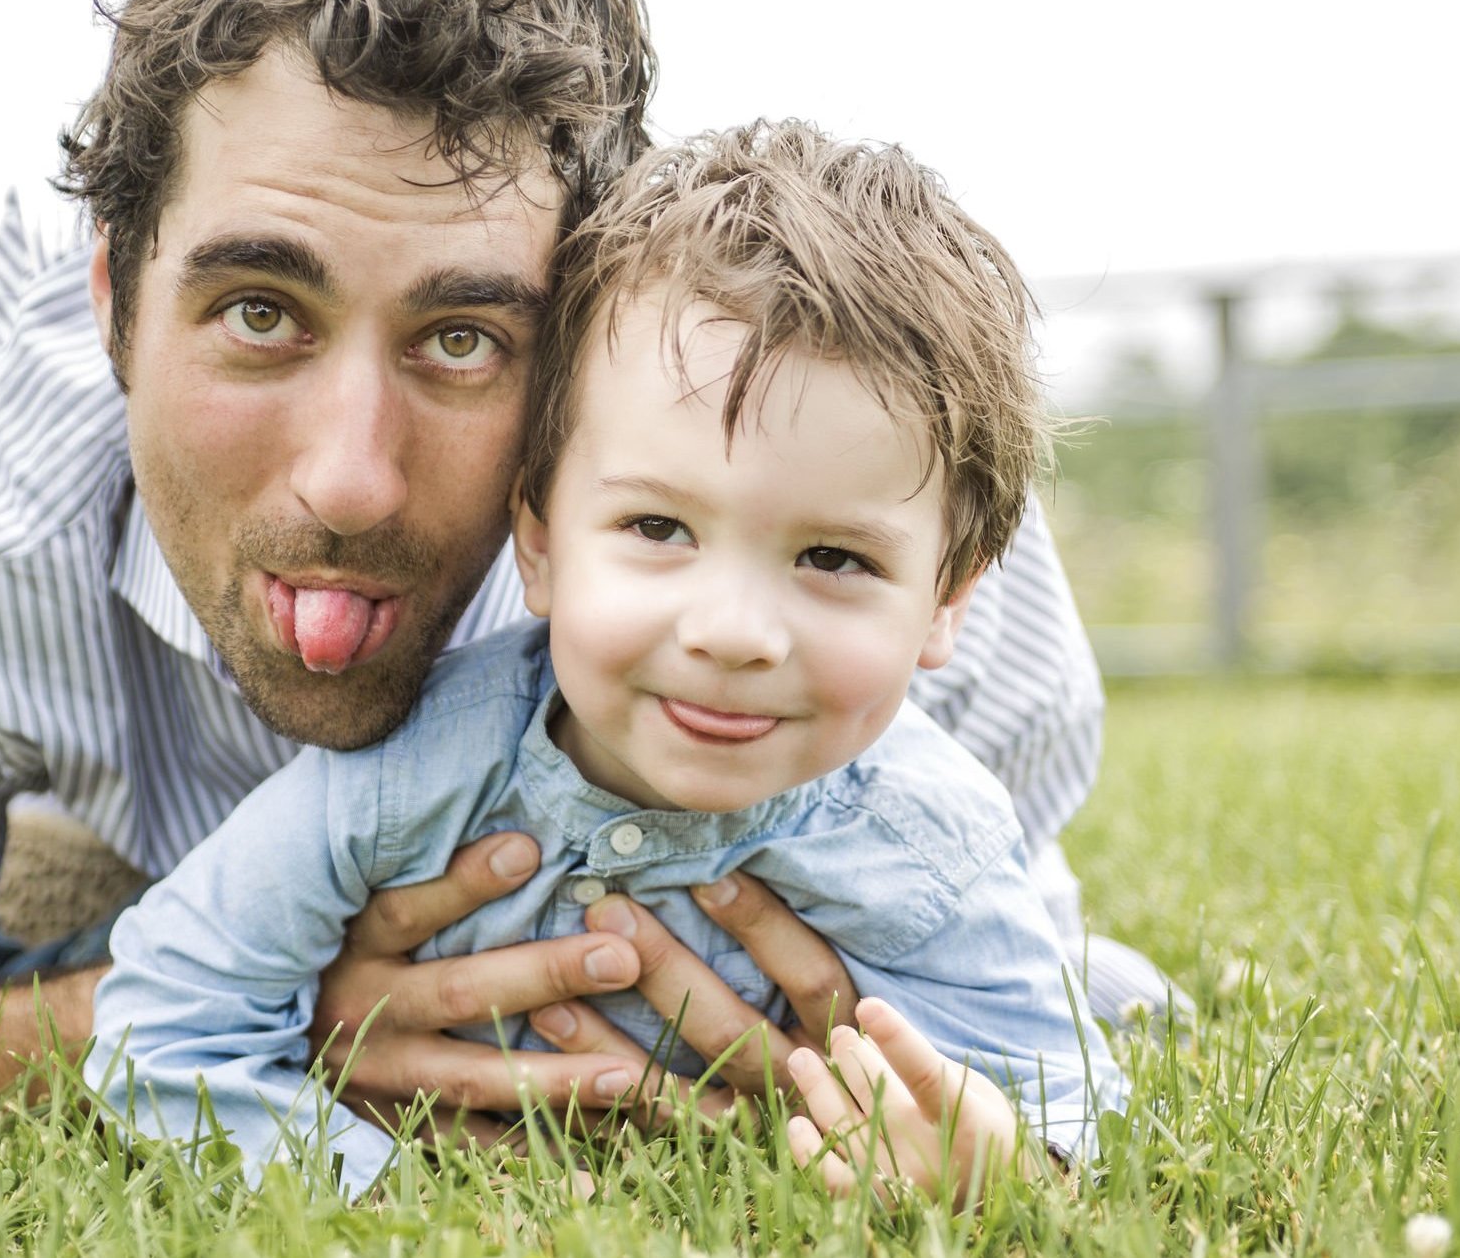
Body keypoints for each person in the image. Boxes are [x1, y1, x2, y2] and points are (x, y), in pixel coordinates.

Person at [0, 0, 1174, 1121]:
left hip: (197, 802)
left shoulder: (837, 469)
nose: (354, 478)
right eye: (254, 313)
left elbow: (1008, 993)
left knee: (76, 886)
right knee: (56, 898)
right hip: (33, 673)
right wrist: (253, 1005)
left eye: (462, 338)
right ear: (108, 294)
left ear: (591, 320)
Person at [90, 122, 1125, 1199]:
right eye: (658, 529)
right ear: (539, 540)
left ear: (947, 601)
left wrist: (989, 1169)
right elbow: (169, 1015)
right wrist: (376, 1192)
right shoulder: (407, 775)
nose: (734, 632)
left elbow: (1056, 1104)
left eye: (833, 556)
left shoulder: (927, 841)